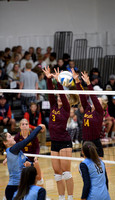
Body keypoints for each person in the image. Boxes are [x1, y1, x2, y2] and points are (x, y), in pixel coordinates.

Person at [43, 66, 74, 200]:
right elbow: (51, 93)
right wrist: (49, 79)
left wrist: (59, 82)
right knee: (57, 173)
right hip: (54, 142)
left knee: (66, 173)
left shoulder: (66, 108)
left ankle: (71, 197)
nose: (60, 98)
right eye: (59, 98)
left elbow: (60, 94)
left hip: (64, 142)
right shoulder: (53, 106)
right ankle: (61, 197)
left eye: (63, 97)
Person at [0, 124, 45, 200]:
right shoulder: (13, 149)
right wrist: (39, 127)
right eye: (10, 137)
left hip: (22, 187)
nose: (13, 137)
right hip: (13, 188)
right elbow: (29, 138)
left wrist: (29, 164)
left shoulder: (18, 152)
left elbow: (30, 163)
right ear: (5, 142)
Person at [72, 69, 104, 157]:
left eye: (99, 101)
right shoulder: (87, 108)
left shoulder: (99, 112)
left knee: (99, 165)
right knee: (85, 164)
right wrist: (77, 81)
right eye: (97, 100)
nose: (97, 101)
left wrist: (89, 83)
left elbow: (93, 97)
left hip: (95, 142)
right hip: (85, 141)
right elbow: (82, 96)